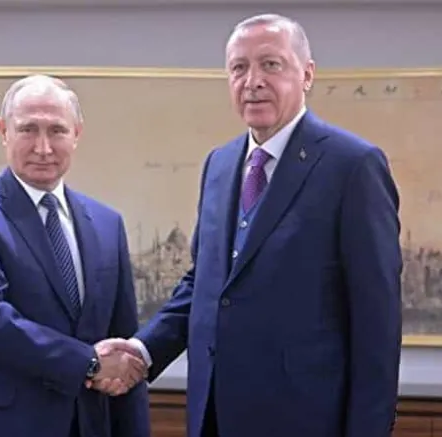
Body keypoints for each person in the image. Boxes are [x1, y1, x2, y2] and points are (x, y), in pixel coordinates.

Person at [99, 13, 403, 437]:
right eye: (239, 67)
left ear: (307, 74)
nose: (252, 81)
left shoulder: (352, 166)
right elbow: (206, 285)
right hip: (212, 417)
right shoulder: (219, 164)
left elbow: (377, 323)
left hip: (306, 422)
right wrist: (142, 350)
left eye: (270, 64)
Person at [0, 74, 150, 437]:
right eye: (28, 129)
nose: (43, 147)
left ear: (77, 134)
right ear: (3, 131)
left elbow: (122, 340)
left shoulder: (107, 223)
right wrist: (89, 363)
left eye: (57, 131)